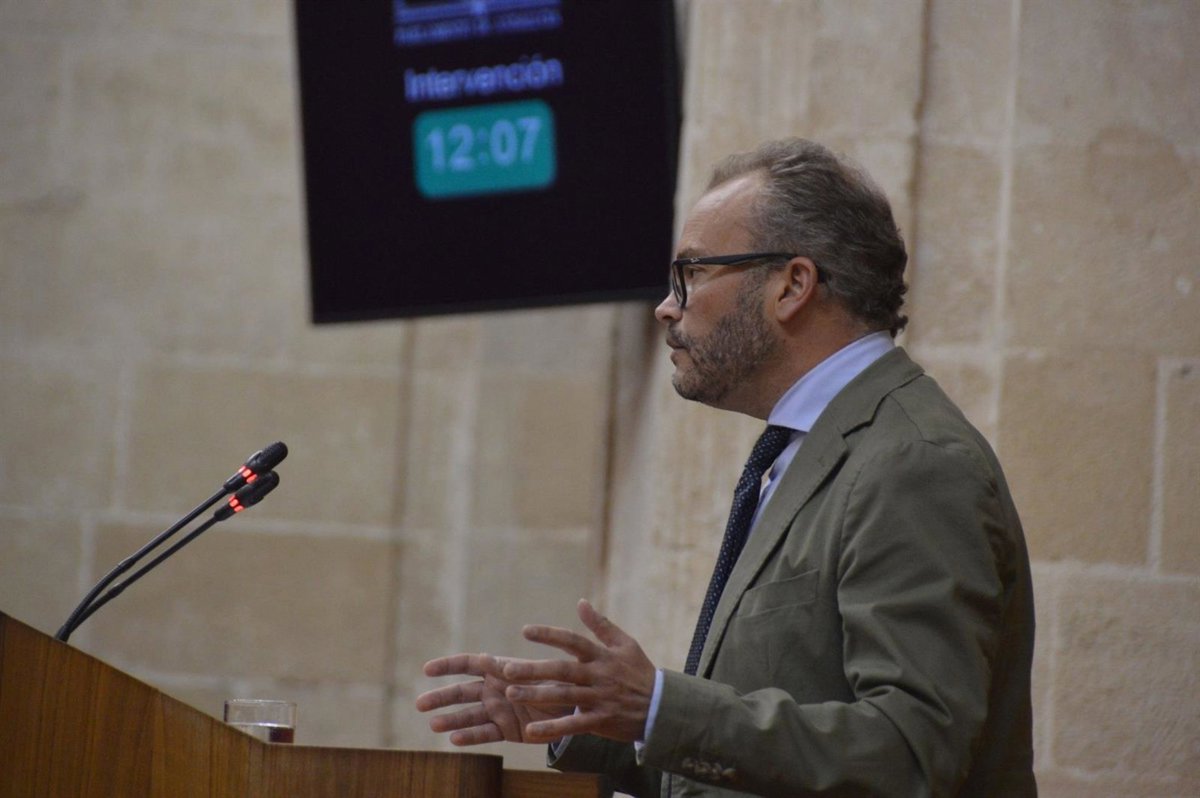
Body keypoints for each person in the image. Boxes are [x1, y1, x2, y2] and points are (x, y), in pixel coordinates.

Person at [416, 138, 1036, 797]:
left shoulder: (912, 460)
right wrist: (598, 722)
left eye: (692, 272)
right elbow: (765, 760)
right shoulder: (806, 449)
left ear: (792, 286)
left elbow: (911, 757)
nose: (667, 306)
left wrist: (661, 708)